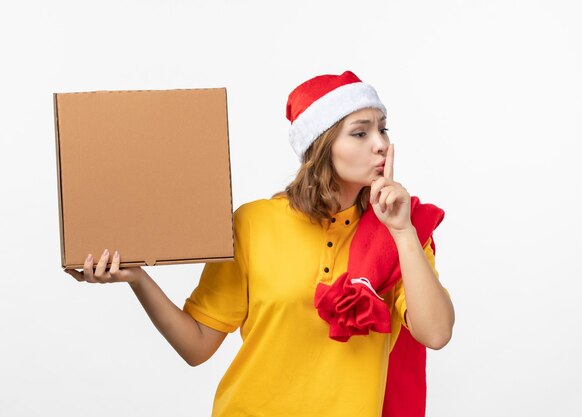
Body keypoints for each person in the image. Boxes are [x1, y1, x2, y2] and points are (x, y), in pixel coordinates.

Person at [64, 70, 455, 417]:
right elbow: (197, 347)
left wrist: (402, 233)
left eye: (383, 129)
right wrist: (138, 279)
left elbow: (436, 334)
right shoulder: (253, 223)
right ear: (321, 146)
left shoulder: (403, 229)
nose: (381, 144)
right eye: (360, 132)